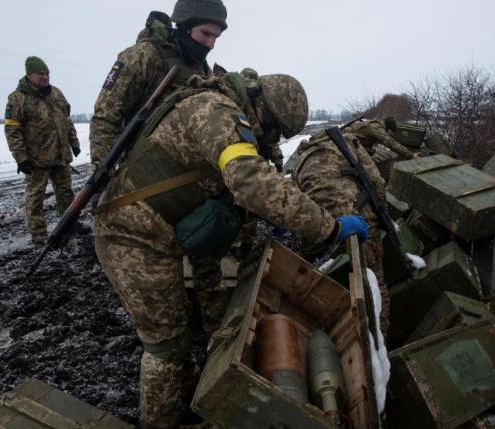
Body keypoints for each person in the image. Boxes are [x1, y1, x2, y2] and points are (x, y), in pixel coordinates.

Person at [93, 72, 368, 428]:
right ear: (263, 108)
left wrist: (280, 213)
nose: (272, 138)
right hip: (132, 237)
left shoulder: (223, 108)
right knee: (166, 347)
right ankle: (160, 421)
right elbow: (250, 180)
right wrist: (327, 226)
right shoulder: (215, 109)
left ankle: (190, 399)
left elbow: (239, 185)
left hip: (157, 233)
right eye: (275, 129)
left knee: (179, 338)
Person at [89, 0, 228, 172]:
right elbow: (106, 117)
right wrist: (101, 171)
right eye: (206, 33)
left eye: (216, 37)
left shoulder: (202, 67)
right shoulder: (143, 56)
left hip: (183, 173)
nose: (210, 44)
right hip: (142, 170)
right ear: (186, 26)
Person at [293, 126, 392, 336]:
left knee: (329, 281)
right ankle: (379, 341)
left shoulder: (300, 162)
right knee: (374, 283)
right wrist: (383, 218)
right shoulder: (348, 141)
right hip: (359, 220)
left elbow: (299, 204)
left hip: (322, 227)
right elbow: (376, 181)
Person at [4, 56, 81, 244]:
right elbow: (12, 130)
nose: (45, 77)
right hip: (36, 159)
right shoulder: (18, 98)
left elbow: (67, 120)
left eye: (47, 73)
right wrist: (20, 157)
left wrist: (74, 142)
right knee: (35, 197)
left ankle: (70, 225)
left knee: (66, 193)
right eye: (40, 74)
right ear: (30, 75)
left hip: (61, 155)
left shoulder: (56, 94)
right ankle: (38, 232)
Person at [349, 116, 419, 160]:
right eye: (391, 133)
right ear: (389, 129)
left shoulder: (377, 125)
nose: (391, 135)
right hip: (346, 144)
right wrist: (411, 155)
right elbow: (390, 143)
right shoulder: (376, 128)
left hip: (351, 143)